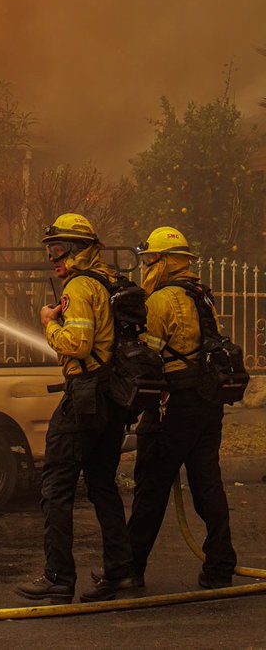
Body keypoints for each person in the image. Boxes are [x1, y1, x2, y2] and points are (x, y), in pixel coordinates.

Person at [15, 213, 138, 604]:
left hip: (85, 395)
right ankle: (121, 571)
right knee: (102, 484)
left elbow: (79, 342)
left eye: (57, 249)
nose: (52, 257)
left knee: (55, 486)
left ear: (78, 250)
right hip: (112, 397)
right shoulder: (109, 281)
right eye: (50, 249)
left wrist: (48, 323)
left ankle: (58, 577)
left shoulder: (81, 286)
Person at [126, 226, 236, 589]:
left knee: (150, 488)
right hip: (207, 401)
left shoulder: (161, 300)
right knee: (207, 485)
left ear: (163, 261)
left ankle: (129, 569)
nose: (145, 266)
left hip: (174, 405)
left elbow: (149, 357)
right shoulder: (201, 294)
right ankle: (220, 566)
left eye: (149, 260)